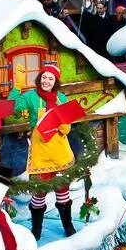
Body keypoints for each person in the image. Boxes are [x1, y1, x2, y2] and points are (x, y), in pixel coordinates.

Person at [10, 63, 84, 239]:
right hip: (41, 151)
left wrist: (66, 126)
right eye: (44, 77)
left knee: (62, 190)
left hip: (60, 150)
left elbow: (68, 120)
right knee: (39, 192)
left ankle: (68, 226)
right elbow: (15, 107)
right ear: (39, 78)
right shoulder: (31, 97)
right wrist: (17, 87)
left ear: (55, 81)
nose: (46, 81)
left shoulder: (61, 98)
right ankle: (36, 230)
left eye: (50, 78)